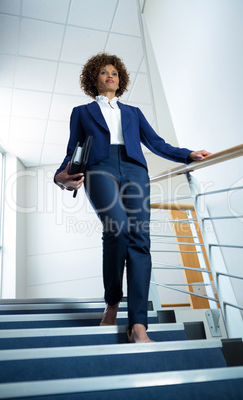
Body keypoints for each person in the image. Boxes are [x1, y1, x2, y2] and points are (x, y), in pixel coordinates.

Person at [54, 53, 210, 343]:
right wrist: (59, 176)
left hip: (135, 170)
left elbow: (156, 143)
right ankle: (112, 302)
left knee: (140, 241)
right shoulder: (82, 111)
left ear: (120, 79)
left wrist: (187, 155)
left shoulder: (133, 113)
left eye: (114, 72)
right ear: (94, 79)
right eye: (103, 72)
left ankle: (138, 325)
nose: (109, 75)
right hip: (100, 168)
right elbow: (71, 150)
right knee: (117, 227)